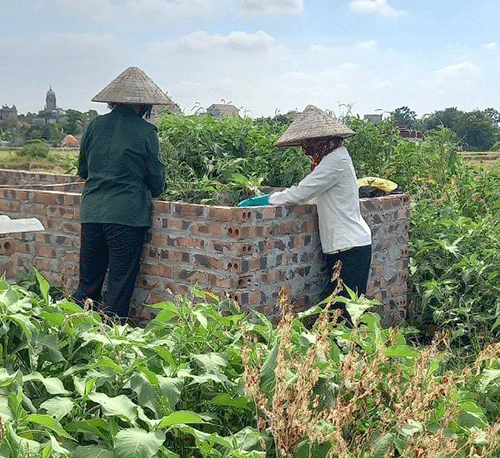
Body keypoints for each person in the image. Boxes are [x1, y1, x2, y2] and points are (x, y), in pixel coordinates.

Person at [240, 105, 372, 320]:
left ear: (319, 140)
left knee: (345, 311)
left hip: (349, 247)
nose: (304, 148)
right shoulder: (333, 157)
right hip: (345, 245)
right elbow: (314, 195)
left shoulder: (335, 161)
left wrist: (265, 200)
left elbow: (301, 193)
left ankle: (349, 351)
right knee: (339, 307)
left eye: (307, 143)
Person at [73, 67, 169, 320]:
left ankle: (74, 333)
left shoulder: (95, 125)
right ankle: (111, 339)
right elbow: (157, 178)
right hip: (127, 216)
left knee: (88, 281)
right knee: (119, 283)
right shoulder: (146, 131)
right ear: (144, 104)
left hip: (92, 212)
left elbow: (82, 169)